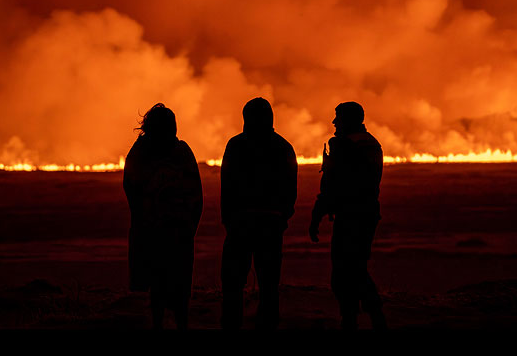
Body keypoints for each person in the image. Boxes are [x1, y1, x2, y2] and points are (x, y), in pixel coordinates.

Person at [122, 103, 203, 330]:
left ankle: (162, 323)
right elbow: (196, 194)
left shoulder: (139, 153)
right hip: (174, 232)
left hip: (157, 232)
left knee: (159, 285)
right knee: (176, 284)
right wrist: (189, 226)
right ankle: (178, 324)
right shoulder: (180, 152)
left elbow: (130, 189)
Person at [220, 97, 298, 330]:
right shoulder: (283, 146)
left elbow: (227, 185)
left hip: (241, 224)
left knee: (233, 282)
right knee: (268, 283)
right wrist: (282, 216)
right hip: (270, 224)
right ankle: (267, 324)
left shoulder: (236, 145)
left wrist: (229, 219)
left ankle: (232, 325)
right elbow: (291, 188)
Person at [308, 101, 387, 330]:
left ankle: (357, 317)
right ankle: (368, 316)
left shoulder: (345, 146)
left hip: (350, 216)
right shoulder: (371, 143)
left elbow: (333, 185)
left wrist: (317, 215)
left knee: (347, 271)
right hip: (367, 214)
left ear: (348, 120)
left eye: (338, 118)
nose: (334, 123)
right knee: (354, 266)